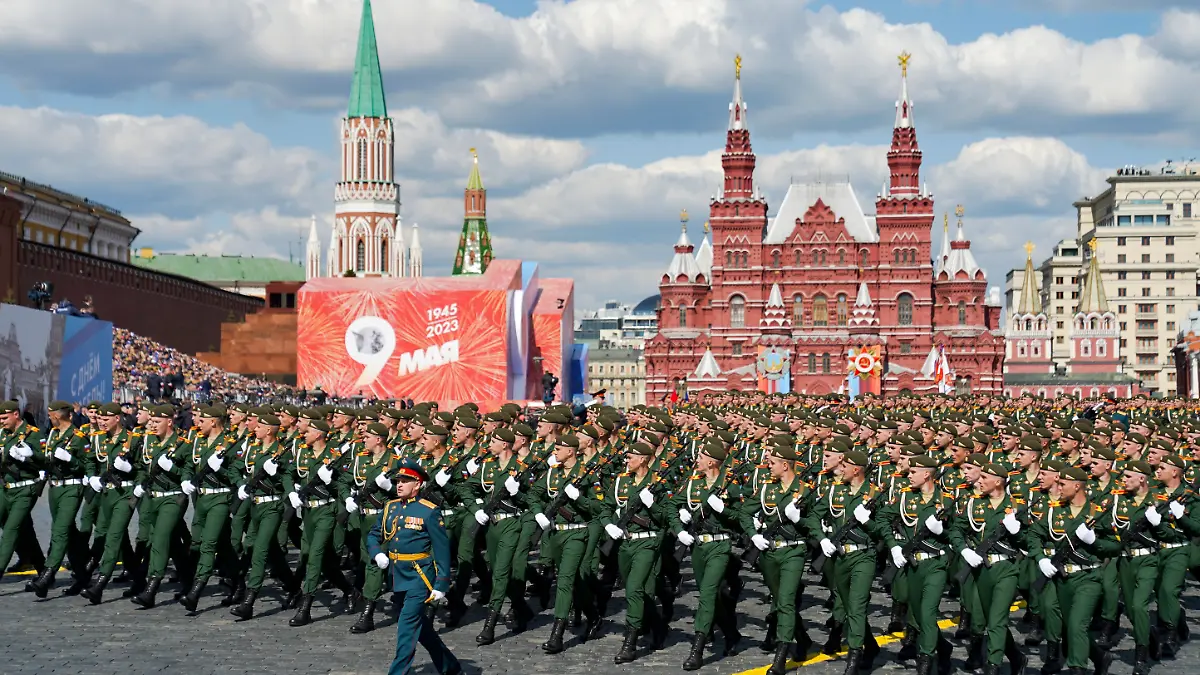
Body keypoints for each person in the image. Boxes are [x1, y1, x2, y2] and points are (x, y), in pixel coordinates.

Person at [367, 460, 462, 675]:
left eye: (404, 481)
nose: (399, 485)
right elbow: (373, 535)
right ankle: (449, 666)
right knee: (422, 629)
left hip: (419, 577)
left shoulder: (429, 511)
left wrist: (442, 583)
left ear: (417, 484)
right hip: (396, 576)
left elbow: (441, 549)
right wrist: (378, 553)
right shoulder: (390, 507)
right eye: (397, 481)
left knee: (407, 629)